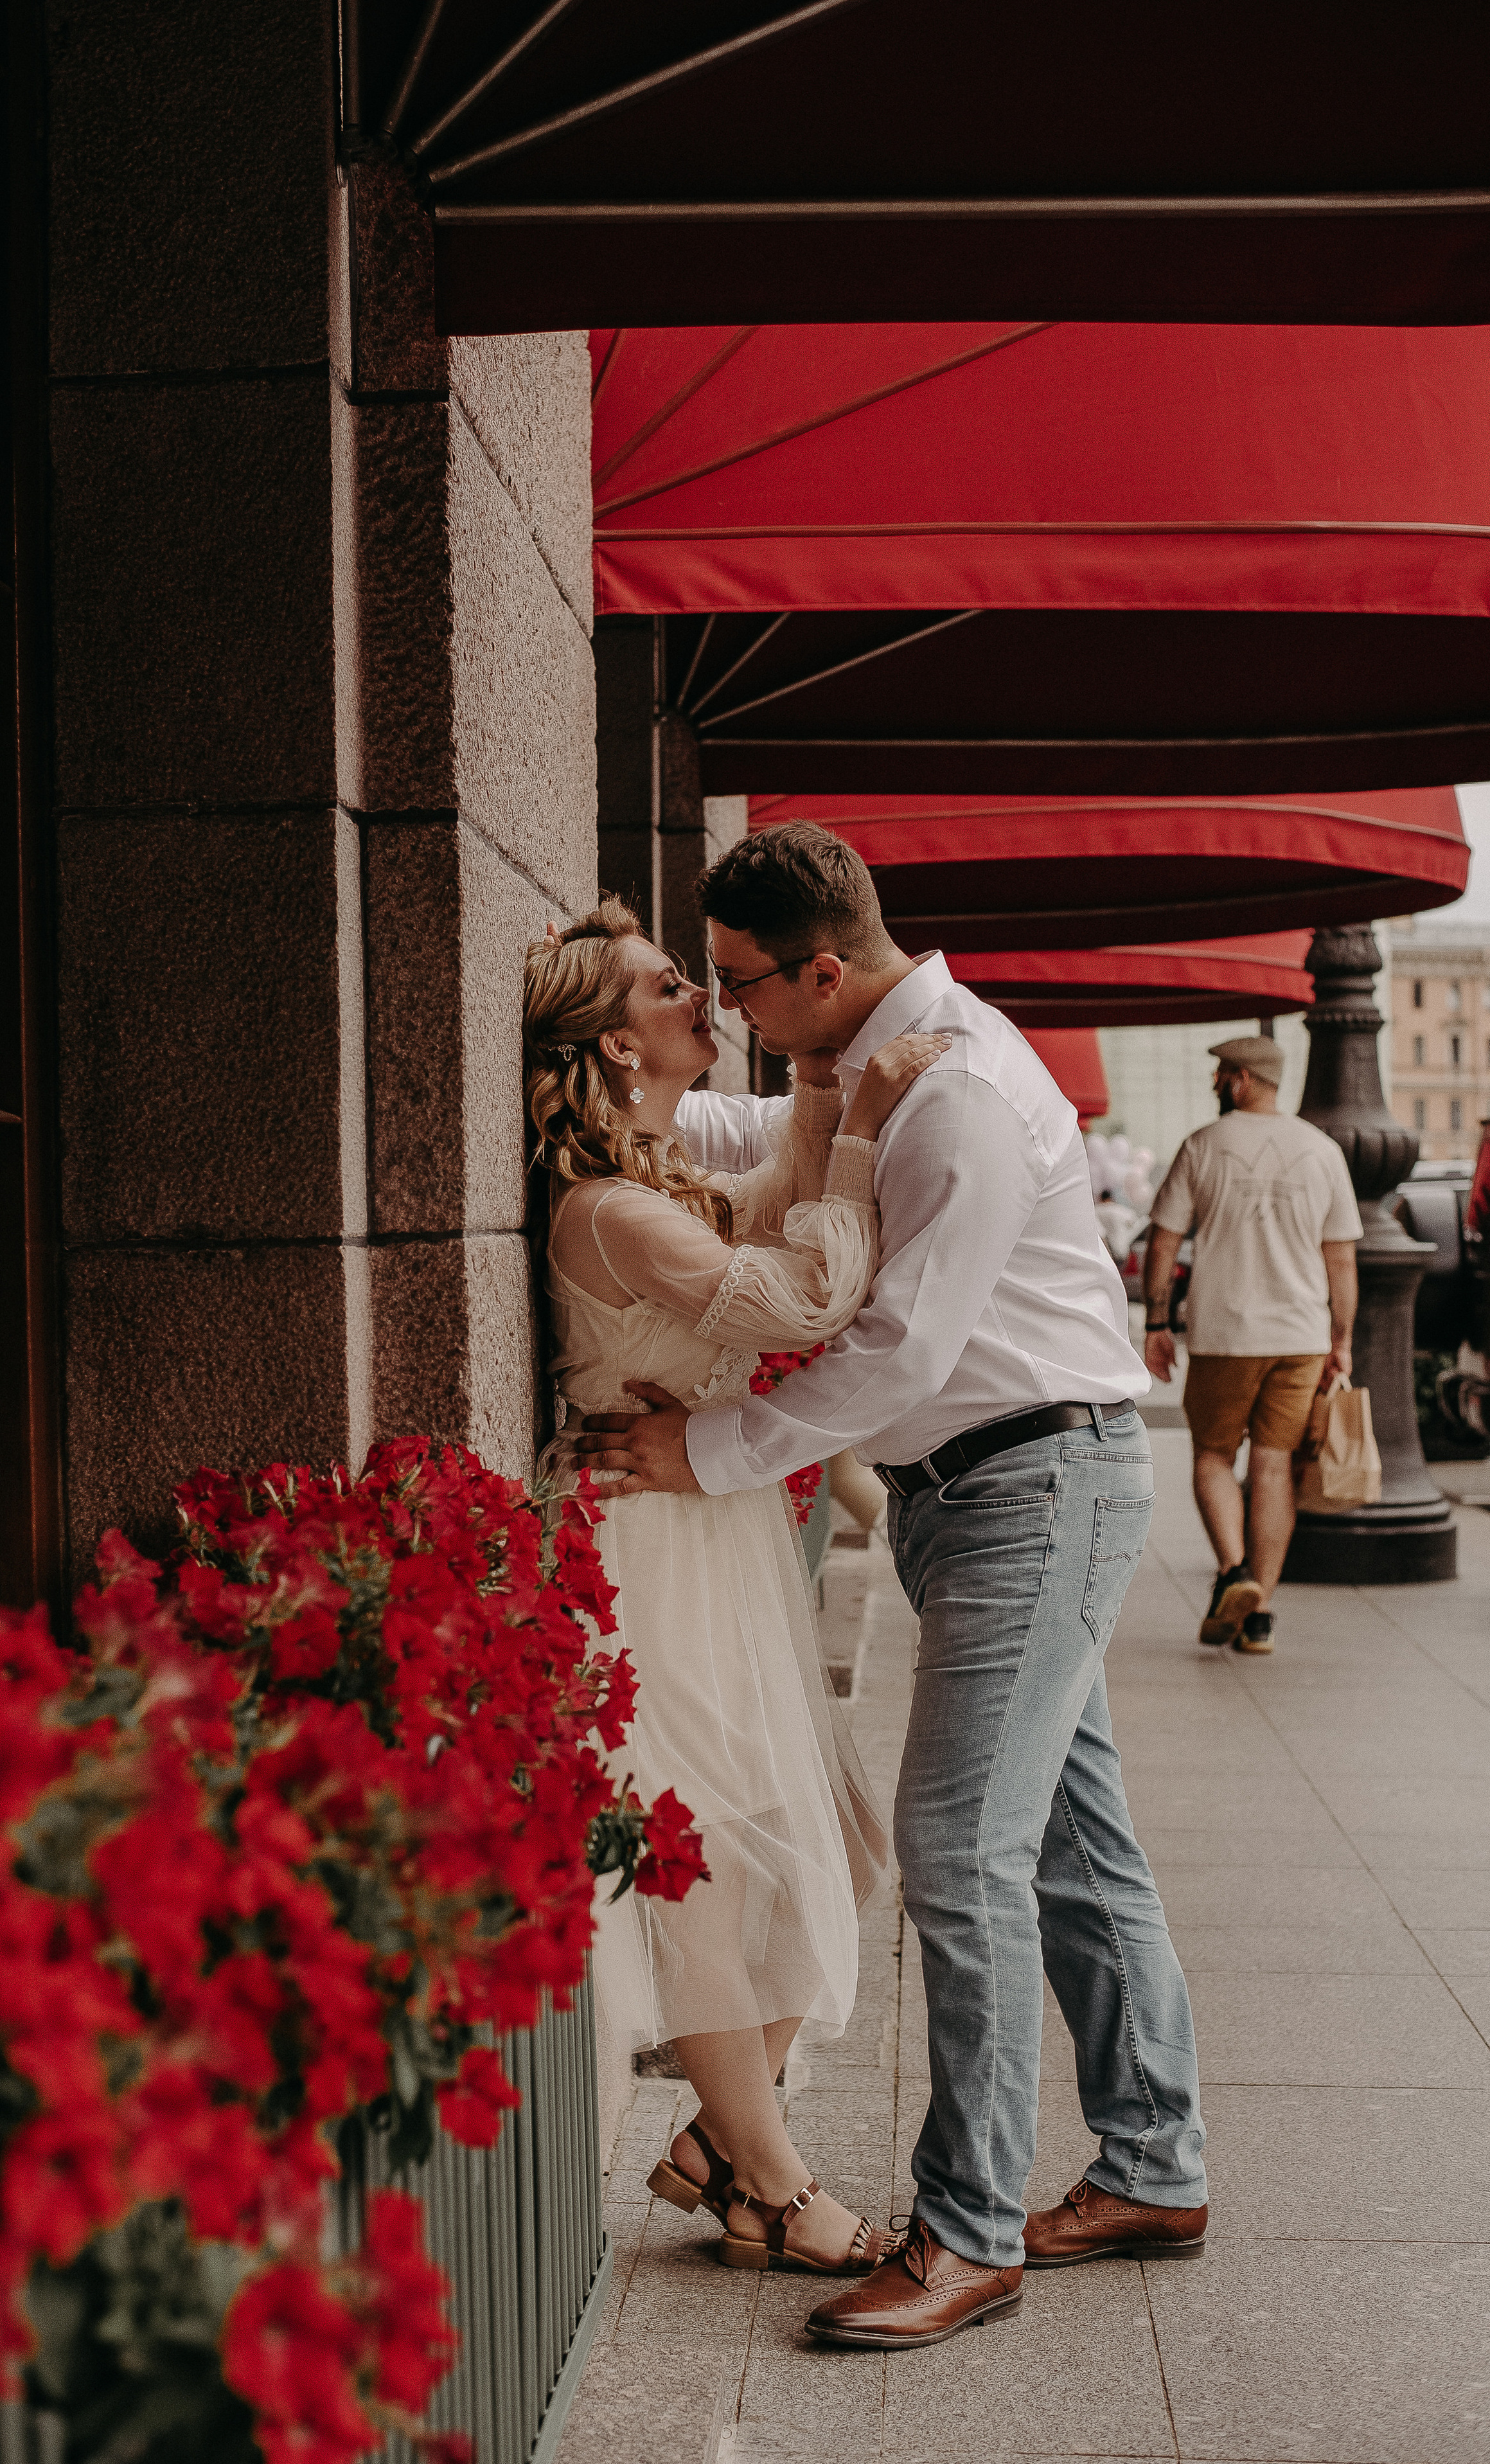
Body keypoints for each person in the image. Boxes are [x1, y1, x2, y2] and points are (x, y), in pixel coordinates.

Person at [574, 823, 1209, 2352]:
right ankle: (1153, 2164)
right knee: (1069, 1838)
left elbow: (898, 1351)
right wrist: (602, 1107)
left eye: (737, 983)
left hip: (1029, 1485)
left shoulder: (953, 1097)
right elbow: (739, 1137)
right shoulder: (858, 1068)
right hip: (986, 1491)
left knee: (952, 1852)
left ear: (822, 969)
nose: (725, 1008)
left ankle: (965, 2230)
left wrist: (702, 1448)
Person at [524, 898, 948, 2278]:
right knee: (700, 1864)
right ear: (606, 1043)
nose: (699, 998)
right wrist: (865, 1126)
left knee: (842, 1836)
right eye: (666, 986)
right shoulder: (606, 1208)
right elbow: (803, 1296)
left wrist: (824, 1096)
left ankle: (720, 2138)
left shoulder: (649, 1176)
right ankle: (764, 2180)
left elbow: (769, 1213)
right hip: (642, 1546)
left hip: (705, 1528)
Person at [1143, 1036, 1361, 1656]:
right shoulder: (1322, 1153)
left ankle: (1234, 1572)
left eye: (1221, 1072)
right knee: (1273, 1466)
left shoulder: (1203, 1146)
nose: (1215, 1081)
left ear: (1241, 1079)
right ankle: (1259, 1611)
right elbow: (1341, 1259)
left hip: (1225, 1334)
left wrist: (1158, 1325)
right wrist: (1340, 1340)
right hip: (1301, 1337)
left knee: (1214, 1456)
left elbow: (1164, 1244)